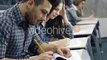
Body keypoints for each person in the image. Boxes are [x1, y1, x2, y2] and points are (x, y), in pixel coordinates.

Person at [0, 0, 71, 60]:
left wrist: (56, 48)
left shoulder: (30, 20)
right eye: (43, 12)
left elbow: (39, 45)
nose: (44, 18)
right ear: (30, 3)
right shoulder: (4, 22)